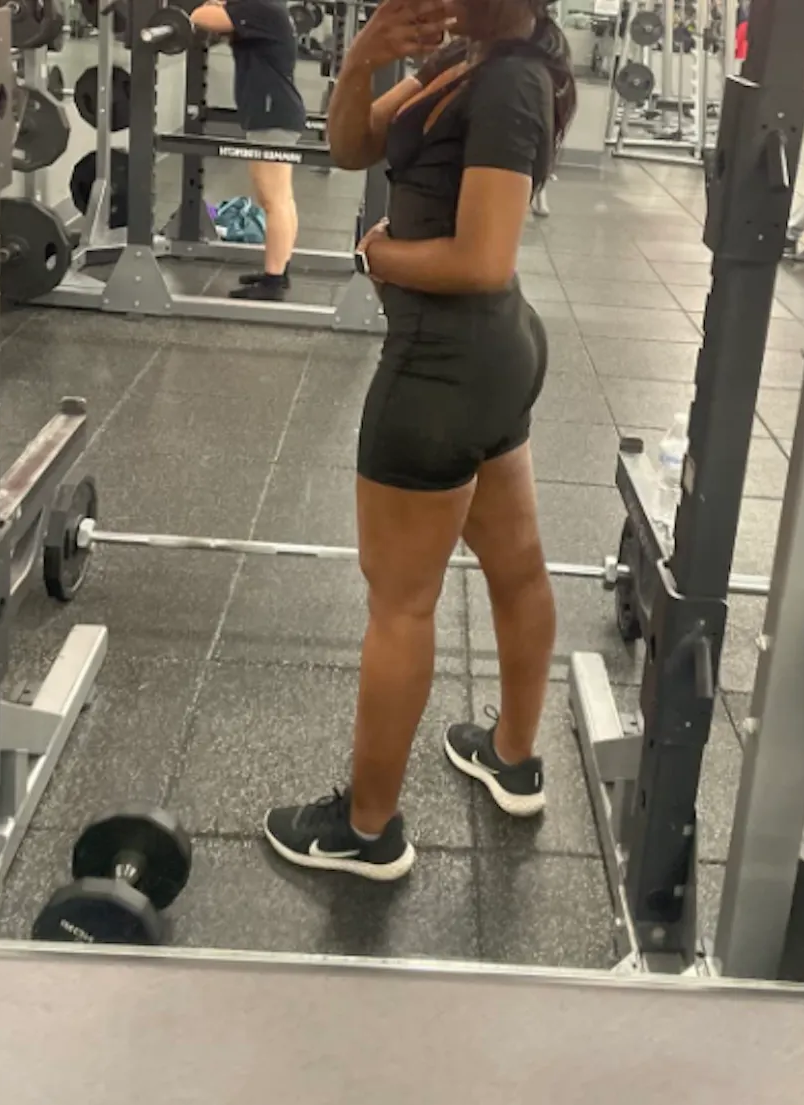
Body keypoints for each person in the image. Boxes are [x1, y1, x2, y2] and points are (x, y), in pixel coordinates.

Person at [261, 0, 577, 881]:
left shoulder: (509, 81)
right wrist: (363, 55)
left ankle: (367, 830)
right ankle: (513, 758)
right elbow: (349, 146)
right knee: (518, 568)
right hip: (490, 358)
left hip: (443, 367)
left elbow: (483, 259)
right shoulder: (465, 59)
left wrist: (379, 256)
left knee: (400, 604)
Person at [190, 0, 306, 300]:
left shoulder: (260, 6)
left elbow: (201, 15)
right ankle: (278, 269)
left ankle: (274, 282)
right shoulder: (268, 7)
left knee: (273, 199)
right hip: (273, 112)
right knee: (280, 197)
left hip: (272, 115)